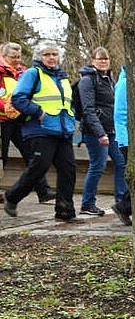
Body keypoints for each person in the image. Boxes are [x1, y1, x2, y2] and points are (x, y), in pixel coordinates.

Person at [4, 42, 77, 220]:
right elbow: (18, 99)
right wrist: (39, 112)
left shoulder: (63, 77)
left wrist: (71, 118)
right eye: (46, 54)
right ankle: (12, 196)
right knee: (39, 166)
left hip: (62, 130)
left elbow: (68, 103)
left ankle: (65, 210)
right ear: (39, 57)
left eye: (54, 54)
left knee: (68, 169)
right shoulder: (33, 74)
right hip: (40, 129)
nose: (51, 58)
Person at [0, 42, 55, 203]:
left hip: (20, 119)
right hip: (3, 120)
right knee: (2, 157)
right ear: (4, 56)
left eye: (19, 57)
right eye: (13, 57)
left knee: (32, 155)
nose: (17, 60)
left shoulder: (23, 73)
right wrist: (6, 107)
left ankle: (43, 191)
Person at [76, 47, 128, 217]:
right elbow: (88, 109)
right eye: (100, 59)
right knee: (98, 166)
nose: (104, 62)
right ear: (93, 61)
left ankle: (121, 202)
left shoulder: (110, 79)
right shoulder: (88, 80)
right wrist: (100, 133)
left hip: (111, 130)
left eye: (106, 59)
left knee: (122, 163)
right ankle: (87, 203)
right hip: (95, 131)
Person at [111, 66, 131, 225]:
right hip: (128, 139)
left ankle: (124, 206)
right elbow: (120, 114)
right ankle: (123, 207)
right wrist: (124, 140)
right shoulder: (125, 83)